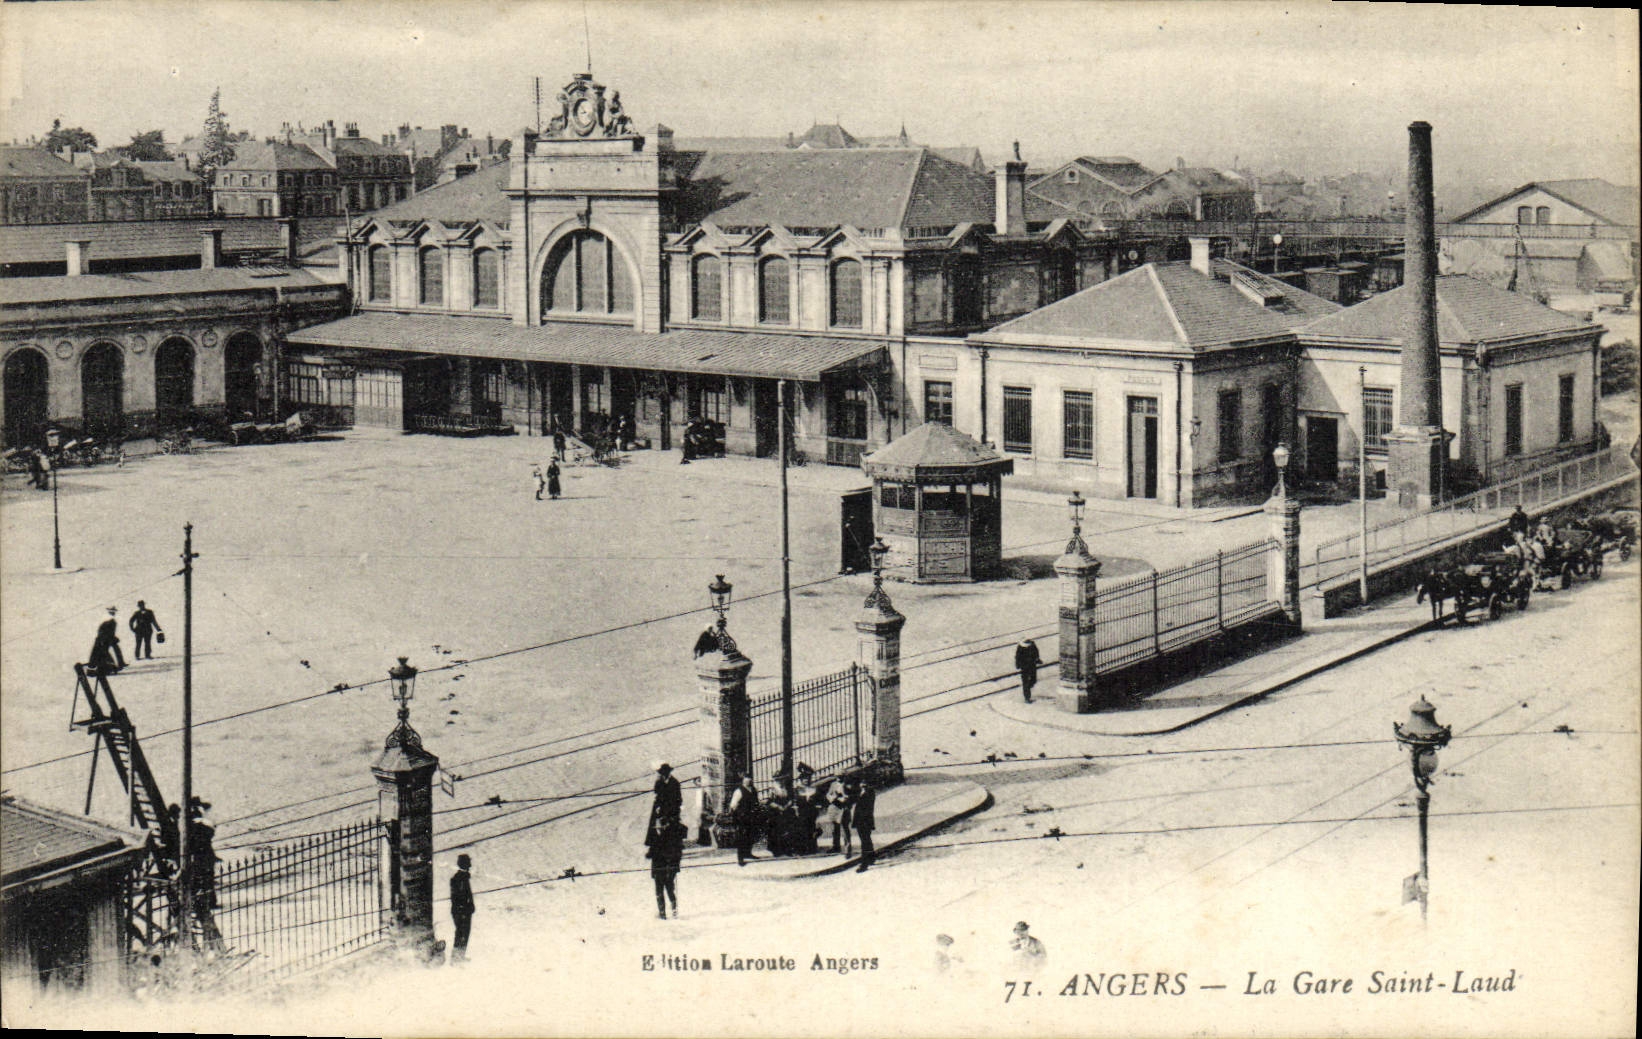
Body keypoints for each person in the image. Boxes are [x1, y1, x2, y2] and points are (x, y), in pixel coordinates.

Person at [647, 816, 685, 919]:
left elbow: (650, 854)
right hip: (668, 869)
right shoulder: (671, 838)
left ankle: (662, 913)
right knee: (669, 889)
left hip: (659, 869)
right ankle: (674, 910)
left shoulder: (656, 840)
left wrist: (650, 854)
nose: (658, 830)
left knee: (659, 890)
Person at [647, 762, 682, 846]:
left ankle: (673, 844)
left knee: (672, 826)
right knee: (657, 825)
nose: (663, 774)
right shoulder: (659, 781)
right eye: (662, 773)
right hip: (660, 806)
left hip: (672, 807)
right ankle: (656, 846)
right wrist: (658, 806)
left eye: (664, 773)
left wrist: (677, 807)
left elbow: (678, 797)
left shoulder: (675, 782)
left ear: (668, 773)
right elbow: (656, 793)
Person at [729, 774, 761, 866]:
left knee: (751, 835)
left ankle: (748, 853)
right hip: (743, 817)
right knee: (742, 836)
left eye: (750, 779)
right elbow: (733, 805)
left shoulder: (754, 790)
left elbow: (756, 802)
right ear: (743, 780)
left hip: (752, 816)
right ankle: (740, 858)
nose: (748, 781)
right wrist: (738, 815)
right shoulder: (739, 791)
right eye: (746, 779)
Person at [450, 853, 475, 963]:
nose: (470, 864)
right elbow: (459, 896)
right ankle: (457, 958)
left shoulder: (460, 877)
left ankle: (458, 957)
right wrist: (465, 908)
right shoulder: (461, 879)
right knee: (462, 933)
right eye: (468, 862)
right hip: (462, 911)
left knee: (462, 933)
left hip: (461, 910)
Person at [88, 607, 127, 676]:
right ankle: (111, 665)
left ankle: (115, 664)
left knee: (105, 652)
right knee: (103, 652)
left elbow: (108, 631)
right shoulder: (109, 620)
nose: (113, 613)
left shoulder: (112, 620)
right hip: (104, 639)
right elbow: (104, 631)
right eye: (111, 611)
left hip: (105, 639)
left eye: (113, 611)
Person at [852, 779, 877, 873]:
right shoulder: (860, 792)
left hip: (865, 821)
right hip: (860, 820)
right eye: (861, 783)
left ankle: (864, 864)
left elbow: (867, 807)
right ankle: (872, 857)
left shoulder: (869, 793)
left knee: (864, 842)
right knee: (866, 839)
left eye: (864, 783)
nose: (862, 785)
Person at [826, 779, 854, 855]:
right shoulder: (833, 784)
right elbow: (828, 794)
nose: (838, 778)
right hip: (834, 808)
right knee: (834, 829)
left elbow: (849, 796)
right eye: (837, 776)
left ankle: (847, 848)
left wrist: (842, 798)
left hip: (843, 808)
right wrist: (832, 798)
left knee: (845, 828)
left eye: (840, 775)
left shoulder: (848, 784)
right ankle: (836, 846)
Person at [1014, 638, 1042, 704]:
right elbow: (1017, 657)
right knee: (1025, 682)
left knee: (1034, 680)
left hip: (1032, 665)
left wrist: (1037, 659)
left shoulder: (1032, 645)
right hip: (1024, 667)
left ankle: (1028, 687)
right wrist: (1018, 665)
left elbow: (1036, 652)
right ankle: (1027, 697)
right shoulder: (1020, 647)